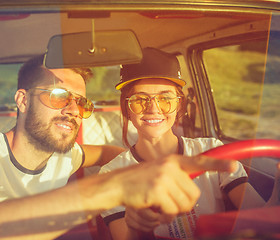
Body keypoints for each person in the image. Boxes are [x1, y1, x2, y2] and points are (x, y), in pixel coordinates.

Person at [0, 54, 237, 240]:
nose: (74, 109)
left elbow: (107, 153)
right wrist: (113, 186)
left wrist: (141, 170)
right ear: (22, 100)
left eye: (81, 101)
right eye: (59, 96)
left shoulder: (67, 155)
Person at [100, 47, 280, 240]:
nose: (153, 109)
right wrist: (136, 225)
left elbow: (258, 216)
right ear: (126, 109)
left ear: (179, 105)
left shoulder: (212, 151)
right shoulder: (112, 174)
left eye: (165, 99)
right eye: (139, 99)